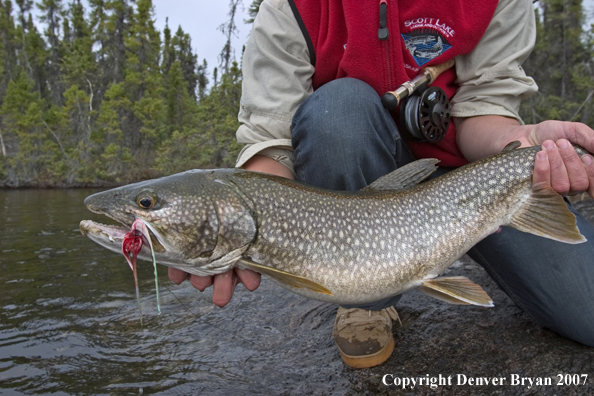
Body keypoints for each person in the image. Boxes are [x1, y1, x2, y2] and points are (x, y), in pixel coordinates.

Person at [170, 0, 594, 368]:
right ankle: (366, 302)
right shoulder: (291, 7)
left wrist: (523, 146)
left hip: (468, 185)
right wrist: (238, 232)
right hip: (355, 189)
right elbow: (271, 144)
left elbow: (485, 112)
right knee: (337, 109)